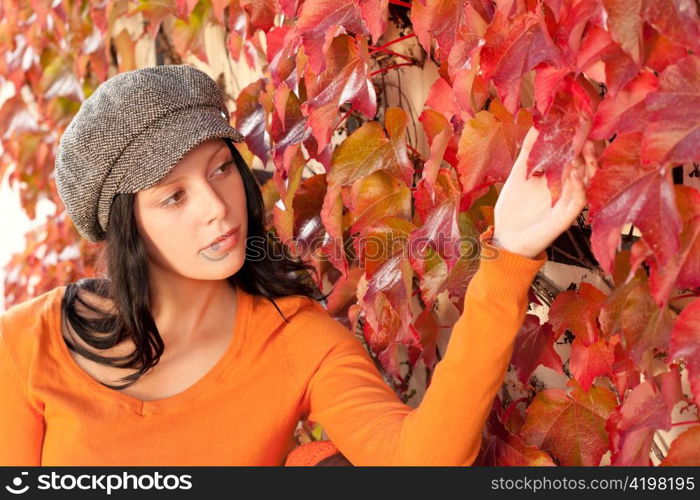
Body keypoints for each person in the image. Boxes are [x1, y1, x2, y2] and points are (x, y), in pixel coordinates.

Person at [0, 64, 598, 466]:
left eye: (220, 168)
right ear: (129, 228)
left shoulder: (294, 339)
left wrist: (511, 255)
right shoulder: (25, 345)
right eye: (173, 196)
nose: (216, 209)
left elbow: (422, 460)